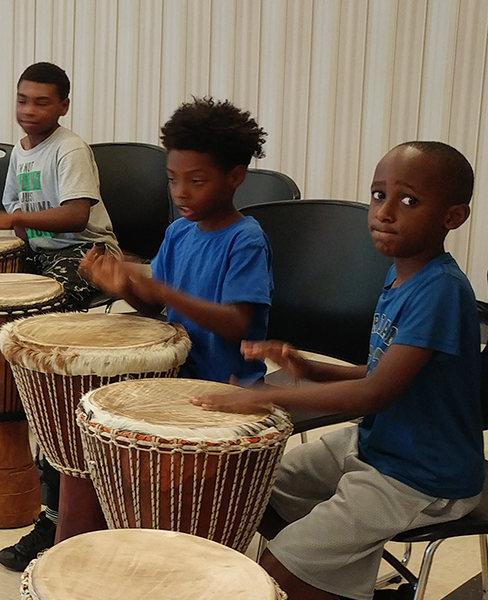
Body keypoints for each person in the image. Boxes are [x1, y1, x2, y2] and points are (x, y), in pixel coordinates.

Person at [193, 142, 480, 600]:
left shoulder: (440, 290)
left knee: (275, 571)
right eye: (378, 195)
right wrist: (312, 369)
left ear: (453, 217)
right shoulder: (400, 274)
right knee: (247, 490)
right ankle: (335, 571)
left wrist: (263, 395)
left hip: (422, 477)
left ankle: (310, 570)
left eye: (408, 200)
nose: (384, 212)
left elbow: (374, 395)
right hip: (376, 446)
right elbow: (380, 373)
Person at [1, 97, 275, 572]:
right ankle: (63, 534)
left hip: (224, 385)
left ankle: (105, 543)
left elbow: (238, 322)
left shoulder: (245, 239)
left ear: (235, 177)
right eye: (173, 180)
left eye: (197, 180)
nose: (182, 193)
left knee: (104, 433)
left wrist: (158, 285)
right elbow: (157, 308)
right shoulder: (180, 233)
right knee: (79, 419)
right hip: (172, 373)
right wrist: (125, 284)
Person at [0, 62, 117, 309]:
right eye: (22, 101)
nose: (28, 110)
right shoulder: (20, 151)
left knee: (41, 301)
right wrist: (17, 229)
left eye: (41, 103)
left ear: (64, 106)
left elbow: (76, 215)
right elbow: (15, 205)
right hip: (42, 252)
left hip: (86, 252)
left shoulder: (69, 148)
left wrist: (13, 220)